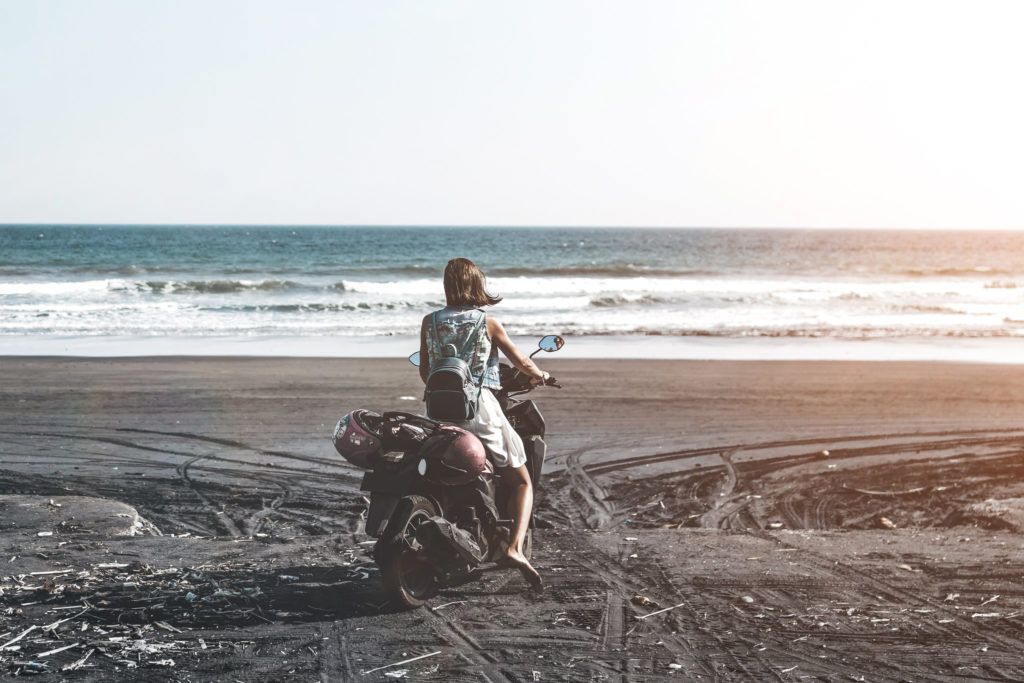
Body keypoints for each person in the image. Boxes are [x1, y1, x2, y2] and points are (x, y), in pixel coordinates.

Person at [419, 257, 547, 589]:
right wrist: (541, 375)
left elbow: (425, 371)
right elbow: (520, 360)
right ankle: (515, 549)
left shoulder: (429, 321)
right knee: (521, 479)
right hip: (479, 410)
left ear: (448, 286)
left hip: (437, 412)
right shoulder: (487, 323)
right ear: (477, 284)